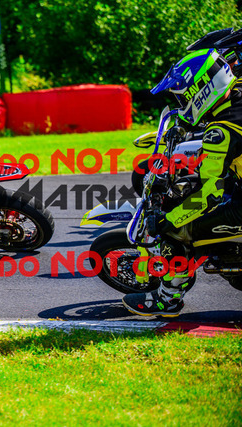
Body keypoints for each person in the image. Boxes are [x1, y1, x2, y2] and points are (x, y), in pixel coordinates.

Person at [123, 48, 242, 316]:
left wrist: (170, 219)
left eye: (183, 96)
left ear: (202, 90)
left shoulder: (221, 133)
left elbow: (210, 193)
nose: (181, 102)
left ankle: (167, 300)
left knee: (176, 231)